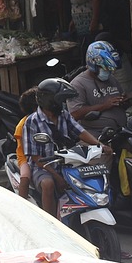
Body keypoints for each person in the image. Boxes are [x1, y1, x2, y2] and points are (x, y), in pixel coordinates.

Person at [22, 77, 111, 214]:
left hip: (67, 163)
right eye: (60, 100)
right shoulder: (31, 122)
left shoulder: (63, 115)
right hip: (44, 168)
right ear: (49, 100)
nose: (62, 104)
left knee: (90, 178)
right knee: (48, 184)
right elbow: (35, 157)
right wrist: (57, 177)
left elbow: (80, 132)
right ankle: (51, 223)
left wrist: (100, 145)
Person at [68, 40, 129, 136]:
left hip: (118, 132)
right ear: (93, 64)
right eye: (105, 68)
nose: (108, 72)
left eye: (110, 69)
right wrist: (104, 105)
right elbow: (75, 114)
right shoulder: (78, 84)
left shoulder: (111, 79)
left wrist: (124, 101)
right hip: (96, 139)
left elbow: (119, 98)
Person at [14, 87, 39, 199]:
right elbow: (25, 150)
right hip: (24, 157)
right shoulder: (23, 124)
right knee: (25, 176)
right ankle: (22, 202)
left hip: (39, 156)